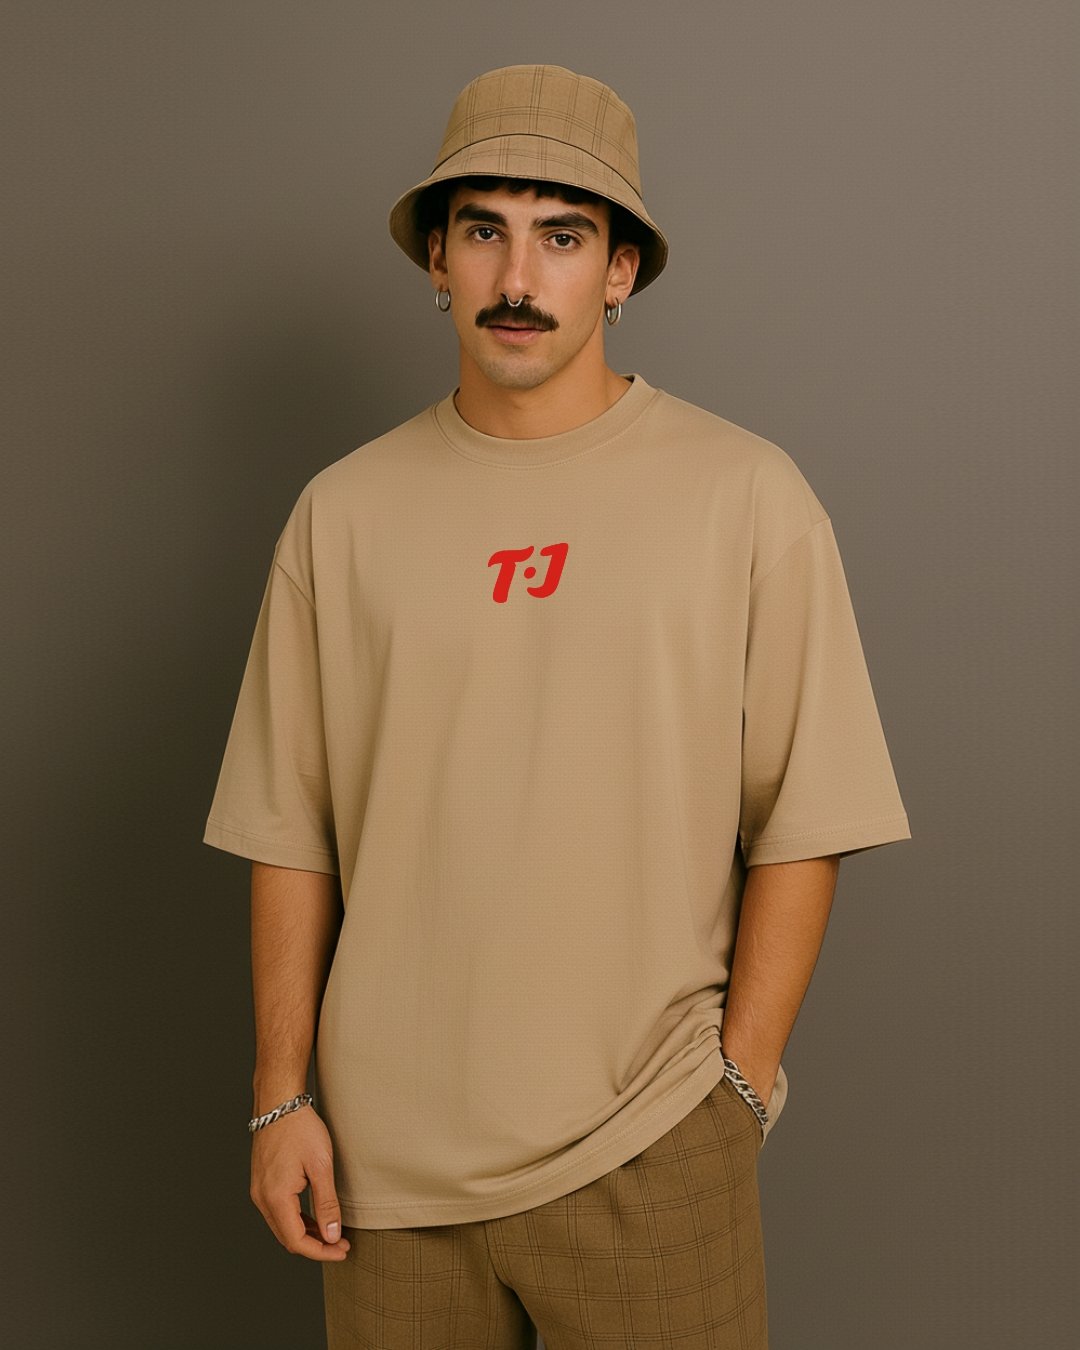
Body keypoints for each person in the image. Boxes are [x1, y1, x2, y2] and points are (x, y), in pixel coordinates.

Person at [203, 63, 912, 1350]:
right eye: (484, 231)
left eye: (564, 236)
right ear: (437, 260)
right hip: (385, 1176)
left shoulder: (746, 497)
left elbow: (809, 814)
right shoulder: (341, 515)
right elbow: (287, 827)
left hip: (651, 1147)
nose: (518, 277)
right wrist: (278, 1097)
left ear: (621, 270)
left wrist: (735, 1090)